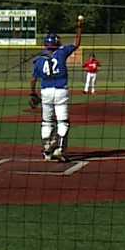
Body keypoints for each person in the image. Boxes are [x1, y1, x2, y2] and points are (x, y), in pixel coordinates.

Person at [29, 20, 83, 162]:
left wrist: (32, 93)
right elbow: (77, 43)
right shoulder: (62, 52)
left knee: (47, 121)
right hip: (60, 91)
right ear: (57, 43)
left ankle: (47, 149)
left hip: (46, 92)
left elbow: (33, 79)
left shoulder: (39, 60)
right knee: (63, 121)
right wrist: (79, 27)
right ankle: (59, 149)